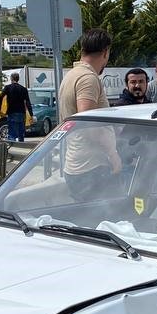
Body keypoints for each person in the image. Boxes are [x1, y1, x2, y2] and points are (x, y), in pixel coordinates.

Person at [59, 28, 119, 200]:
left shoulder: (72, 75)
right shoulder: (88, 79)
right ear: (105, 52)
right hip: (91, 169)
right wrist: (113, 154)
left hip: (79, 166)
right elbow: (88, 123)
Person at [0, 72, 32, 142]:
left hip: (11, 113)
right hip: (22, 113)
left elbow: (0, 97)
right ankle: (20, 149)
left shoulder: (7, 88)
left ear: (11, 78)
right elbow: (28, 102)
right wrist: (31, 114)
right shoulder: (23, 89)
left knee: (12, 134)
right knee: (21, 134)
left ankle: (12, 149)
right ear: (18, 79)